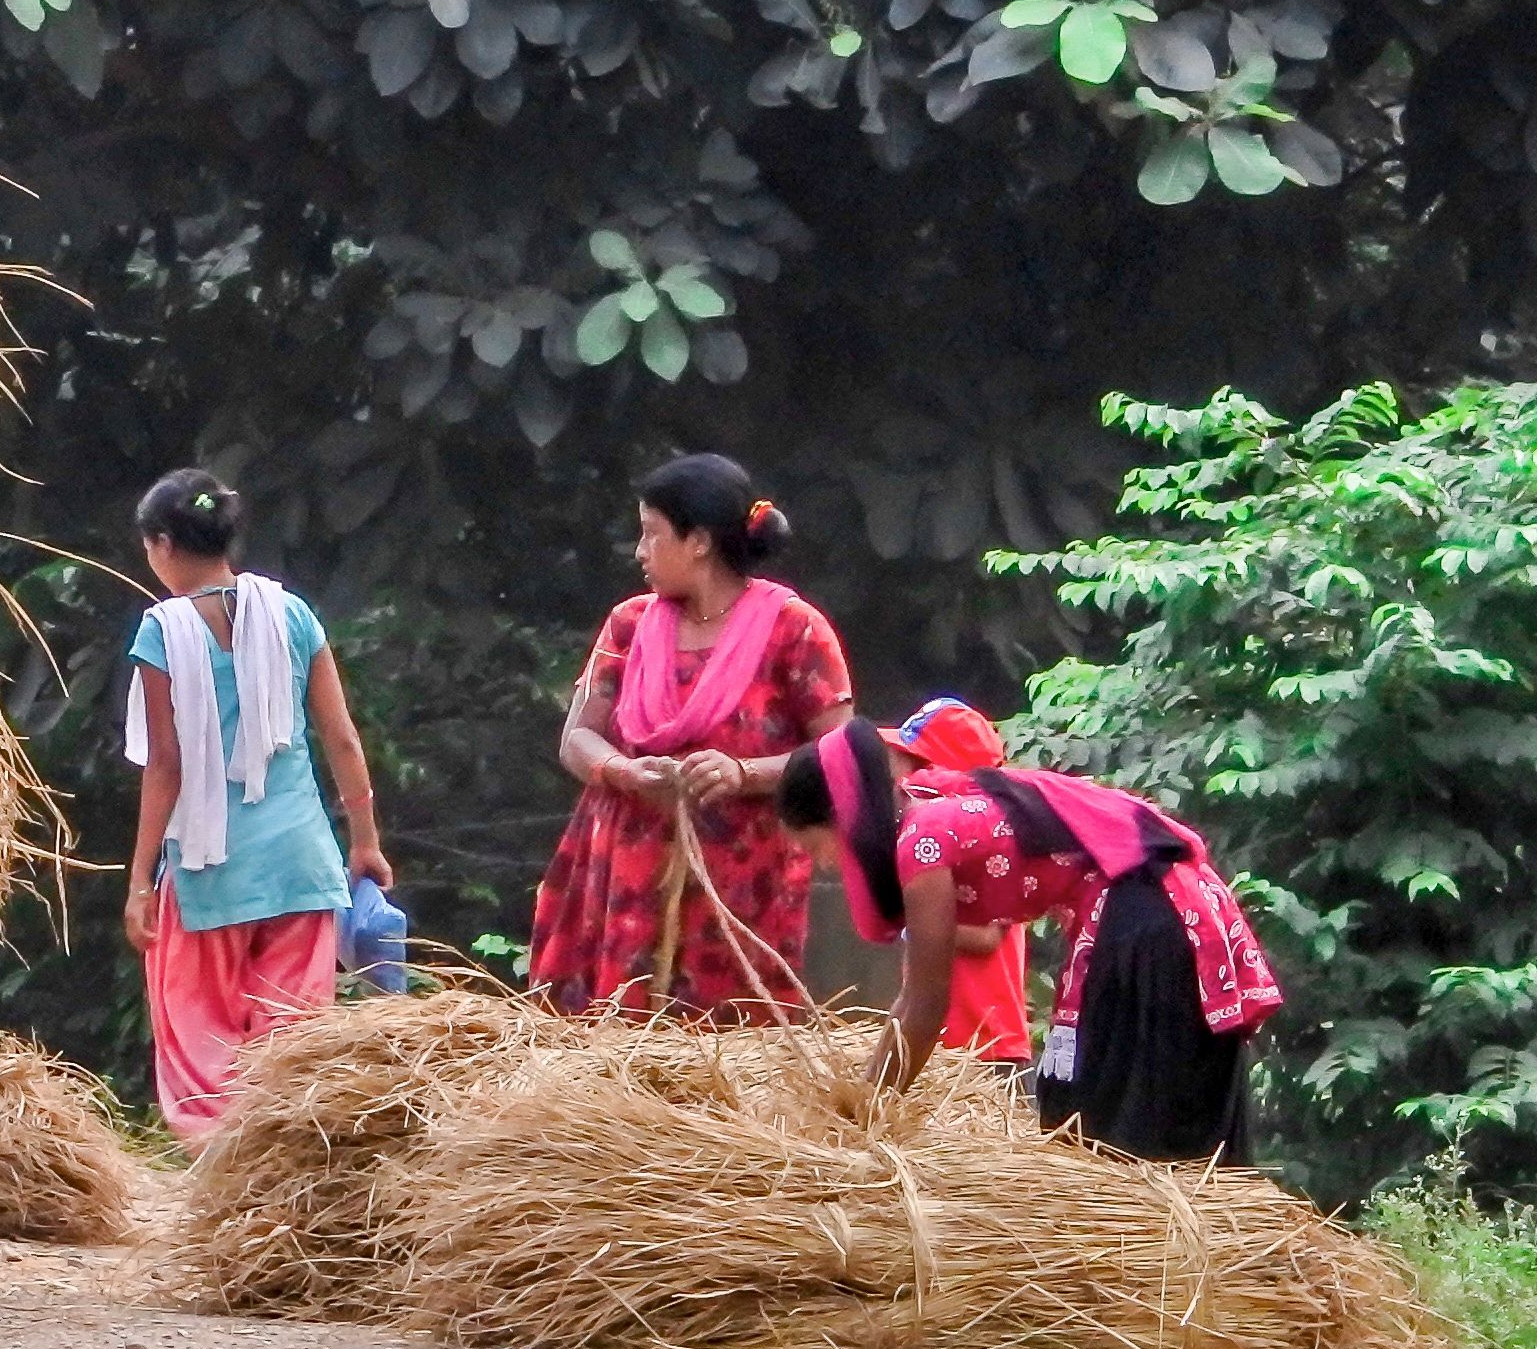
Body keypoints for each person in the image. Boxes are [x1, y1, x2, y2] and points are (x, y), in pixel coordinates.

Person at [775, 717, 1284, 1161]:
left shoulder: (921, 844)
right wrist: (861, 1100)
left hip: (1149, 914)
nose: (822, 864)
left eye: (814, 845)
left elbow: (925, 1005)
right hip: (1152, 907)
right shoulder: (926, 805)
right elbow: (911, 1000)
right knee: (1095, 1108)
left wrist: (863, 1116)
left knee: (1115, 1130)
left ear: (841, 814)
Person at [529, 454, 852, 1021]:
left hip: (745, 884)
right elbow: (577, 738)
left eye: (652, 534)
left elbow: (843, 754)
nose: (640, 552)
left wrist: (743, 773)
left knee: (731, 1043)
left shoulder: (794, 628)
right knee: (614, 1036)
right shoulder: (628, 624)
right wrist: (622, 770)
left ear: (698, 542)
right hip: (626, 874)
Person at [121, 469, 390, 1148]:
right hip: (300, 862)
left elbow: (166, 765)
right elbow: (342, 737)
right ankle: (277, 1182)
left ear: (160, 543)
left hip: (211, 870)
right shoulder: (292, 613)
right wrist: (364, 840)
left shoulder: (162, 631)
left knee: (199, 1045)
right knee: (289, 1047)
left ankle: (222, 1182)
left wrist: (139, 878)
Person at [883, 698, 1032, 1067]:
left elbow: (985, 938)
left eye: (917, 765)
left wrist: (907, 919)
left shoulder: (1001, 840)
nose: (905, 779)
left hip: (988, 1045)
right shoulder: (932, 848)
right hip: (942, 1042)